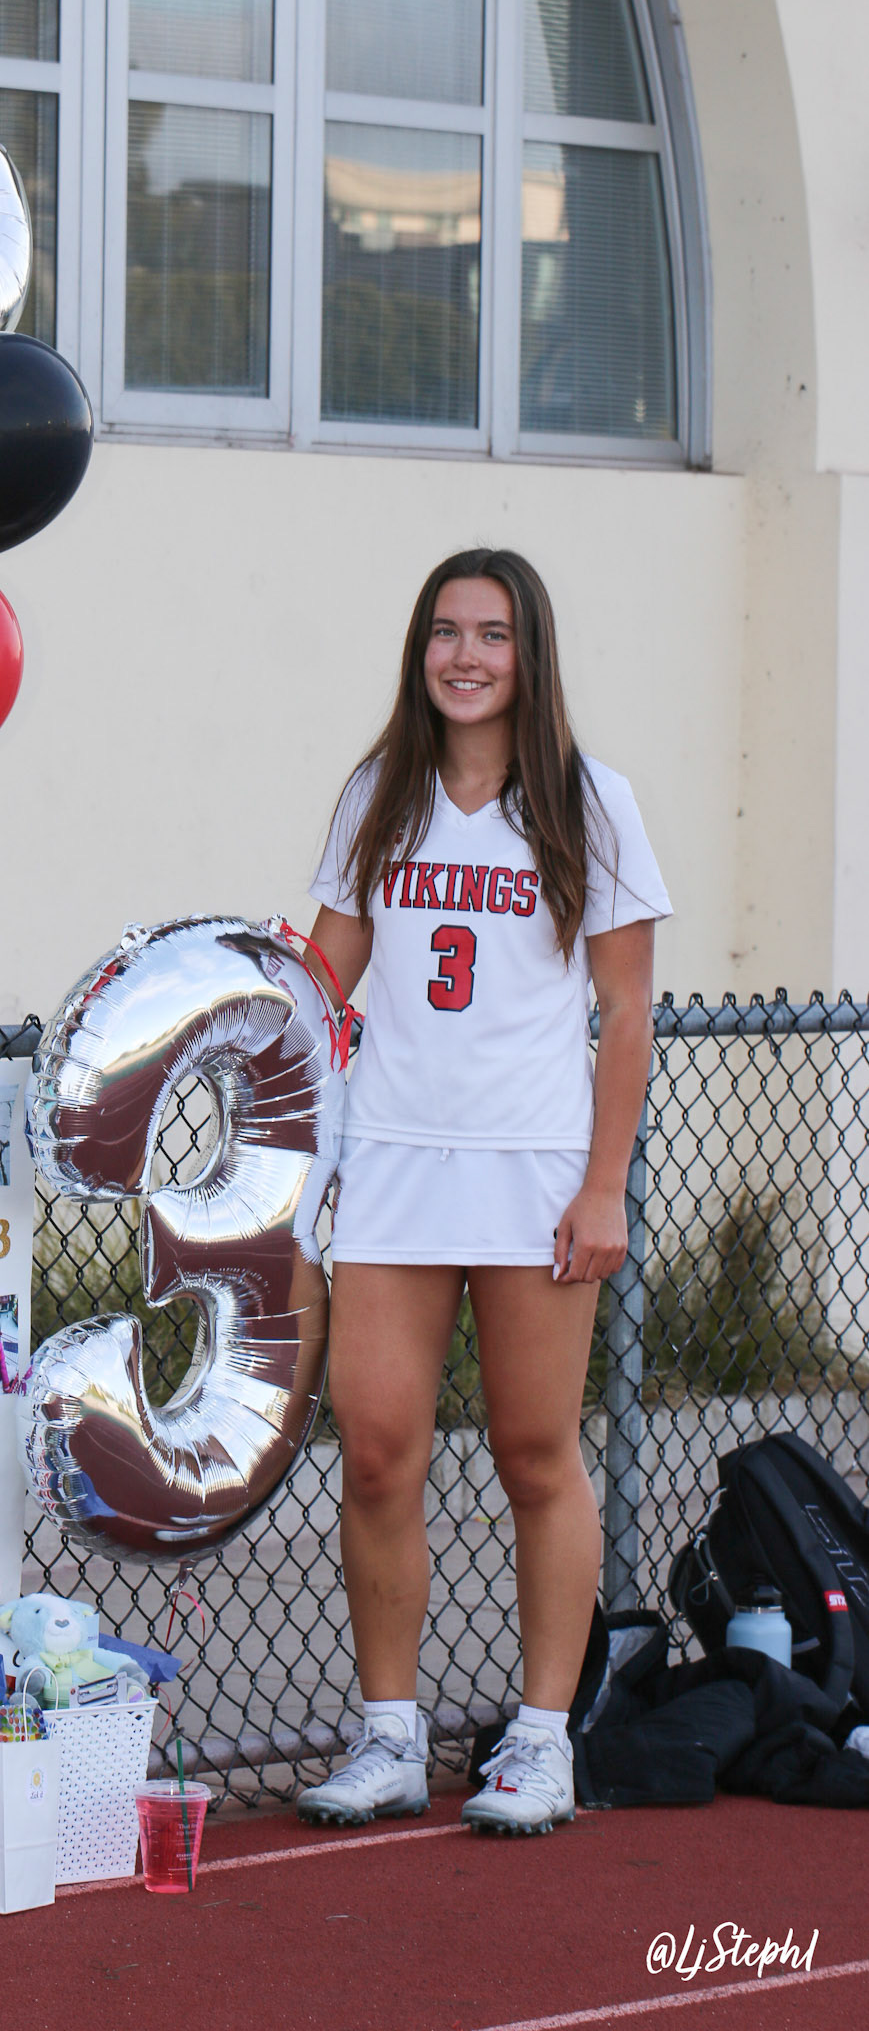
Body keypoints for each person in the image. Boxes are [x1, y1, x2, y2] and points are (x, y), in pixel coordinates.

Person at [296, 548, 671, 1837]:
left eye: (492, 634)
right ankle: (389, 1733)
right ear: (422, 651)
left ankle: (543, 1737)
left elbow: (627, 1011)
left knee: (534, 1452)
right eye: (446, 632)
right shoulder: (377, 795)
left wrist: (604, 1186)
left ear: (530, 654)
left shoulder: (591, 800)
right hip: (394, 1164)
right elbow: (317, 984)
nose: (465, 656)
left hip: (533, 1170)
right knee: (377, 1449)